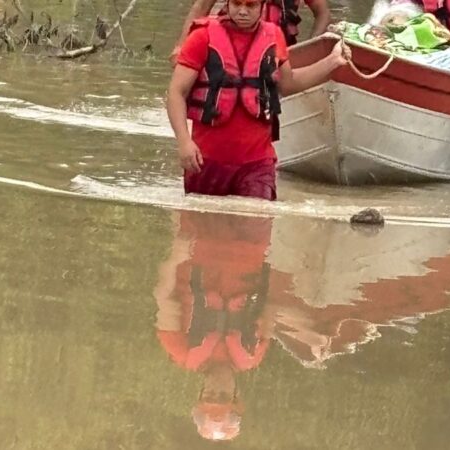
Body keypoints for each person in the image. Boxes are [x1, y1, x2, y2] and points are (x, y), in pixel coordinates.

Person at [166, 0, 349, 201]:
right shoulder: (202, 36)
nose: (243, 11)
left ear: (262, 6)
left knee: (256, 224)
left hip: (258, 164)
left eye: (251, 5)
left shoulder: (274, 36)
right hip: (206, 160)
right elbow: (176, 92)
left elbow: (288, 85)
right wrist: (184, 142)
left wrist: (332, 61)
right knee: (203, 230)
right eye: (237, 4)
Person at [154, 211, 277, 441]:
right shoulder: (253, 354)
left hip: (201, 246)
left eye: (209, 394)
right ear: (235, 394)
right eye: (222, 395)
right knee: (257, 200)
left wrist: (176, 255)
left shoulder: (180, 350)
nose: (216, 387)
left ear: (200, 392)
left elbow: (164, 295)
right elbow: (271, 305)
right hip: (251, 248)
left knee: (207, 186)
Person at [170, 0, 332, 64]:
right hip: (230, 49)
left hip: (277, 52)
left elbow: (322, 13)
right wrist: (181, 46)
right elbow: (201, 7)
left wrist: (311, 48)